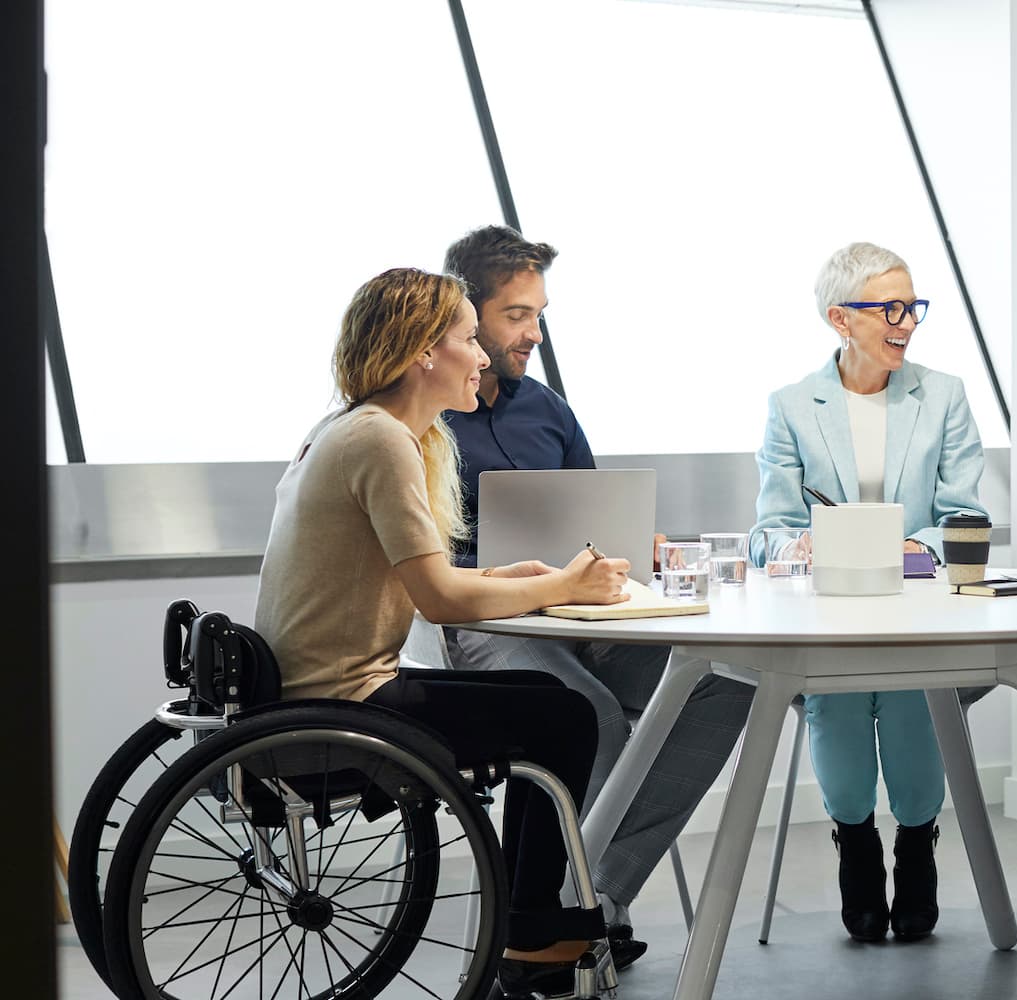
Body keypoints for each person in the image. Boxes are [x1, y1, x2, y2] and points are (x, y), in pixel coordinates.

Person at [255, 267, 632, 999]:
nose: (484, 356)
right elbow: (439, 600)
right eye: (468, 339)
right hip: (347, 703)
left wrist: (518, 576)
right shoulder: (382, 441)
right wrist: (565, 585)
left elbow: (424, 581)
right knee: (565, 713)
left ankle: (529, 919)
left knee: (544, 706)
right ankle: (530, 923)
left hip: (312, 692)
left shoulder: (351, 429)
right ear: (425, 351)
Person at [435, 225, 753, 969]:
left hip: (583, 614)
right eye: (516, 315)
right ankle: (552, 915)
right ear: (467, 313)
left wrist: (650, 551)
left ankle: (595, 894)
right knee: (588, 713)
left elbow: (597, 518)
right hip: (489, 621)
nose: (533, 333)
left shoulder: (547, 408)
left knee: (724, 680)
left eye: (539, 314)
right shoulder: (427, 413)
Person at [750, 242, 986, 943]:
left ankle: (917, 845)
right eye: (889, 308)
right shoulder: (792, 406)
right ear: (839, 319)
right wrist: (799, 545)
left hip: (916, 606)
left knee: (914, 712)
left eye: (912, 306)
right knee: (841, 712)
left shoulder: (943, 395)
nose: (906, 321)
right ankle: (855, 841)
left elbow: (963, 516)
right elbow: (772, 528)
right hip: (830, 610)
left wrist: (922, 546)